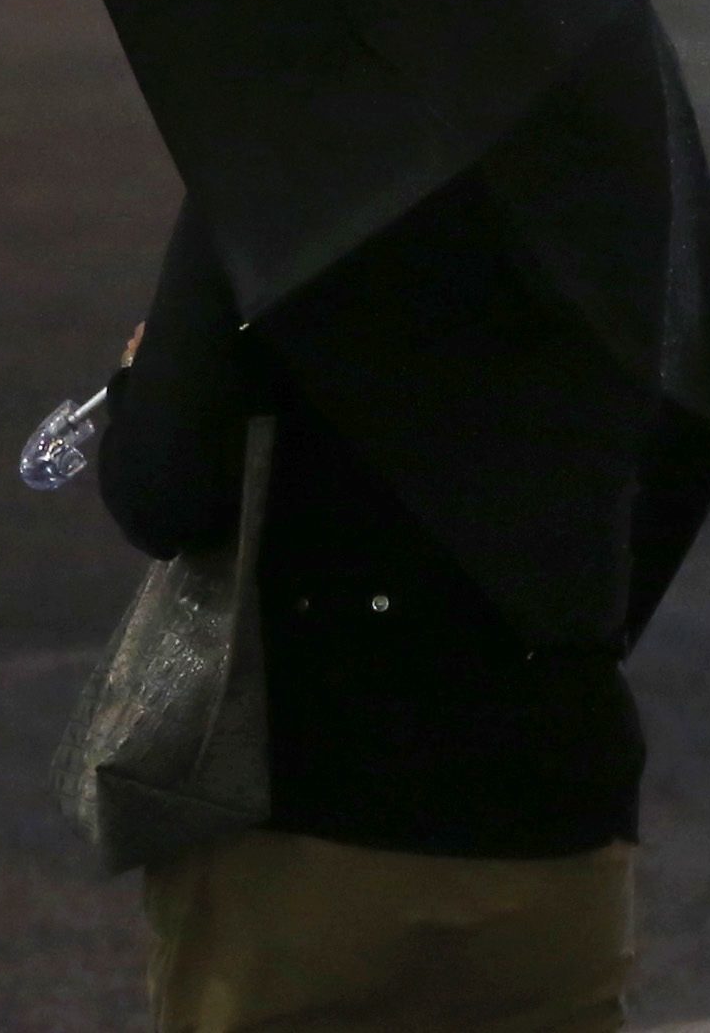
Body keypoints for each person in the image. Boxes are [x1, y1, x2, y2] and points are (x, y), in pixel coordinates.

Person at [97, 192, 643, 1033]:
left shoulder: (280, 169)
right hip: (555, 812)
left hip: (309, 800)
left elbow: (167, 489)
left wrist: (141, 375)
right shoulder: (592, 162)